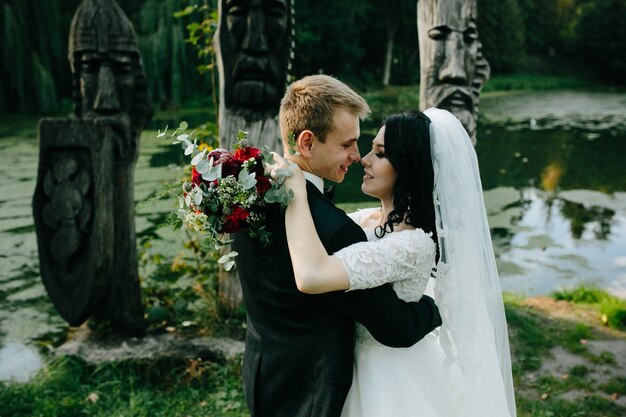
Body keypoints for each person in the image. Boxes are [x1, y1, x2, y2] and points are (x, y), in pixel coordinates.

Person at [274, 108, 517, 417]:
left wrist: (296, 189)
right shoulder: (363, 221)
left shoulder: (412, 244)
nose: (364, 159)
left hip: (388, 375)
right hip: (339, 366)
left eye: (381, 154)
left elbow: (313, 275)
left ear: (409, 167)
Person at [231, 75, 442, 417]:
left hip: (263, 369)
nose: (357, 157)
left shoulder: (247, 196)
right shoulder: (335, 231)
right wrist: (433, 308)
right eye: (348, 144)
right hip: (312, 390)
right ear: (308, 142)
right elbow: (395, 325)